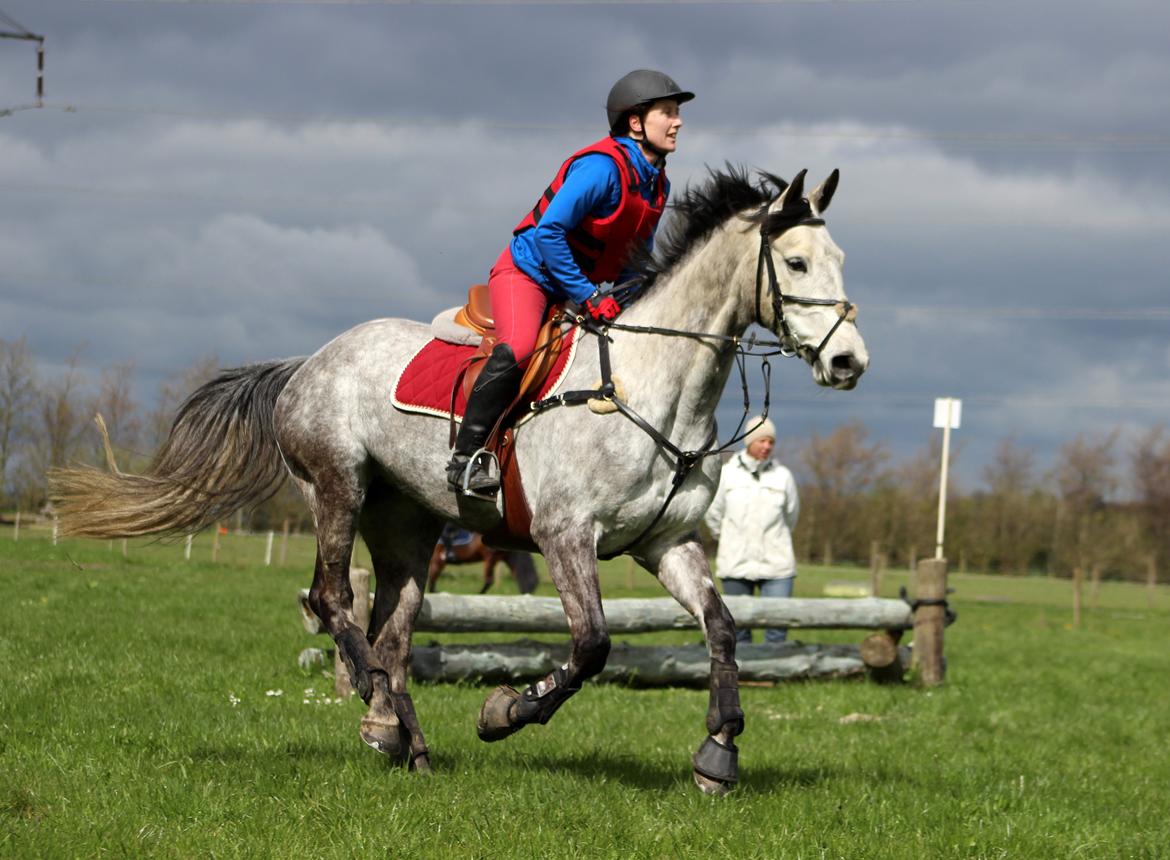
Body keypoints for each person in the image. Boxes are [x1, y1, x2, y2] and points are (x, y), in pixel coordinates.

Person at [445, 69, 694, 494]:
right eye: (667, 112)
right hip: (530, 274)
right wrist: (585, 294)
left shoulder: (657, 183)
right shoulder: (600, 168)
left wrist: (633, 297)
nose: (678, 121)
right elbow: (548, 234)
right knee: (520, 348)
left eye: (677, 113)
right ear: (636, 122)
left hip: (588, 288)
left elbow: (637, 257)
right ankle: (466, 457)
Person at [704, 416, 801, 644]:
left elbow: (791, 517)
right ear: (749, 441)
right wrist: (729, 538)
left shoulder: (783, 476)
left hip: (777, 565)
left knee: (777, 625)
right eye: (762, 441)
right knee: (739, 627)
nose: (767, 446)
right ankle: (745, 673)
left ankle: (775, 674)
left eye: (771, 442)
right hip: (736, 563)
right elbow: (713, 514)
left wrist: (777, 540)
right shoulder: (727, 474)